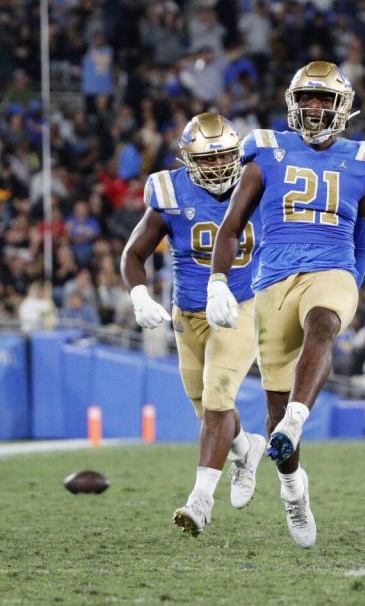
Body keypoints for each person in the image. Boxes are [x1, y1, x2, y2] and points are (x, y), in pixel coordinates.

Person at [206, 62, 365, 549]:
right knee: (272, 406)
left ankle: (298, 419)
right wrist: (218, 281)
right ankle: (292, 487)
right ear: (293, 101)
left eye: (323, 99)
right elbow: (231, 224)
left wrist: (351, 279)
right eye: (306, 98)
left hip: (331, 269)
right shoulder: (266, 149)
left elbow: (364, 238)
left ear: (342, 107)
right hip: (272, 280)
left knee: (324, 324)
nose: (314, 107)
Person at [120, 112, 266, 537]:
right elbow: (133, 254)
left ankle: (200, 500)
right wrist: (139, 294)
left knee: (219, 394)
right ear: (188, 160)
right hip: (188, 313)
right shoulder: (170, 191)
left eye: (225, 156)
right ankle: (245, 446)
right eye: (208, 159)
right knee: (207, 408)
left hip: (243, 304)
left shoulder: (260, 184)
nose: (220, 166)